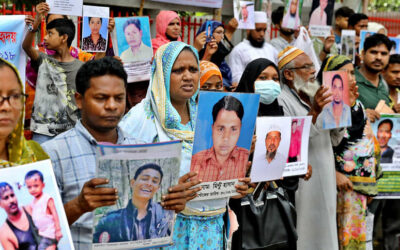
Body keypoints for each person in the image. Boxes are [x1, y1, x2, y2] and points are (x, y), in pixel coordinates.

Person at [42, 57, 195, 248]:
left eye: (119, 98)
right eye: (101, 98)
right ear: (79, 100)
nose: (112, 106)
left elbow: (157, 226)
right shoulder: (53, 153)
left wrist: (172, 204)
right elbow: (39, 229)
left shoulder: (142, 150)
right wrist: (78, 206)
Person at [120, 41, 250, 249]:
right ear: (162, 73)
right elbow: (122, 182)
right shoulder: (140, 120)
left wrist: (233, 186)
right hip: (164, 232)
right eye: (178, 70)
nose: (188, 76)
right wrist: (165, 192)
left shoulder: (208, 116)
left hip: (210, 229)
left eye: (193, 69)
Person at [317, 55, 382, 250]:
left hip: (361, 187)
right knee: (342, 239)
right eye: (344, 74)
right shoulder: (325, 106)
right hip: (342, 185)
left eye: (352, 73)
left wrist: (372, 180)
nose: (351, 79)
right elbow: (335, 142)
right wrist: (334, 174)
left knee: (357, 240)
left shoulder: (358, 104)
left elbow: (366, 140)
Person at [277, 46, 339, 250]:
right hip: (304, 179)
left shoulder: (316, 93)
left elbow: (336, 139)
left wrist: (342, 111)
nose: (313, 71)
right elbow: (290, 145)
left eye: (313, 66)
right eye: (306, 67)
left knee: (327, 230)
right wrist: (314, 111)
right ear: (288, 74)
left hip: (326, 171)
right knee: (306, 232)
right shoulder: (281, 100)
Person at [23, 15, 84, 144]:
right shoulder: (43, 60)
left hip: (71, 133)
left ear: (64, 38)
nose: (45, 38)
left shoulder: (81, 68)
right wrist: (36, 23)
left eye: (50, 34)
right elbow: (27, 47)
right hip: (42, 133)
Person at [93, 164, 172, 242]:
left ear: (157, 188)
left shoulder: (165, 215)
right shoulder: (109, 221)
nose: (149, 184)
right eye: (145, 179)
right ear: (132, 183)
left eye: (154, 181)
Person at [191, 96, 249, 182]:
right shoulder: (195, 160)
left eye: (233, 129)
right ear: (212, 128)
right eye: (221, 129)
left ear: (240, 130)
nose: (226, 138)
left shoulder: (247, 158)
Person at [228, 11, 279, 86]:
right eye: (258, 30)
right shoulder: (238, 50)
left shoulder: (271, 49)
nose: (262, 34)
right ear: (248, 30)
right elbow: (236, 79)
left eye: (264, 30)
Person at [356, 34, 392, 121]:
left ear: (388, 57)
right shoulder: (350, 80)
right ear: (363, 53)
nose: (378, 57)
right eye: (373, 52)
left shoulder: (384, 83)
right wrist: (360, 115)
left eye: (383, 54)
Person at [25, 170, 62, 249]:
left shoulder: (46, 198)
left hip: (50, 234)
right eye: (29, 187)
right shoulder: (32, 203)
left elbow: (55, 214)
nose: (33, 189)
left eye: (36, 186)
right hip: (42, 234)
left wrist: (58, 230)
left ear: (43, 185)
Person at [196, 20, 235, 89]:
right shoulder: (198, 51)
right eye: (219, 32)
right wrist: (207, 55)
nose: (222, 37)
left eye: (223, 33)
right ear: (208, 33)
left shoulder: (219, 54)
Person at [0, 183, 38, 250]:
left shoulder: (31, 210)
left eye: (12, 195)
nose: (12, 200)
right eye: (6, 198)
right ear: (0, 204)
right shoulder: (5, 233)